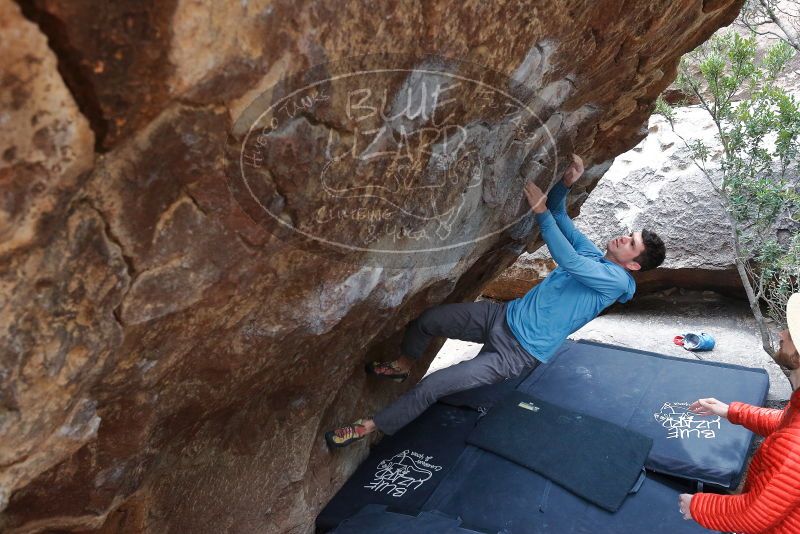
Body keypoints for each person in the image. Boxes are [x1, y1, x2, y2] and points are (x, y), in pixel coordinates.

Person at [325, 154, 667, 448]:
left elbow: (569, 260)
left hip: (516, 354)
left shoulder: (615, 280)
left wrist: (540, 213)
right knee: (429, 320)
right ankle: (402, 365)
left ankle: (369, 427)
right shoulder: (595, 255)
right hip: (501, 317)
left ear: (633, 264)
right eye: (630, 234)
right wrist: (565, 183)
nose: (624, 237)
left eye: (631, 243)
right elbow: (562, 216)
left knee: (434, 387)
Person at [679, 292, 800, 534]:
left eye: (790, 334)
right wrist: (730, 411)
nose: (782, 334)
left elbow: (754, 515)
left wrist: (698, 505)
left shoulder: (793, 448)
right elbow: (786, 424)